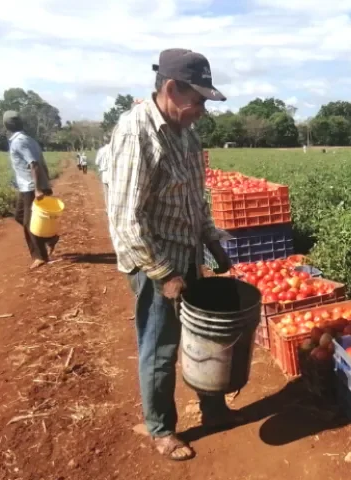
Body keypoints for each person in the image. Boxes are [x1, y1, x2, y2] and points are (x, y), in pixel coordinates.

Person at [106, 48, 238, 462]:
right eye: (196, 99)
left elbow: (194, 198)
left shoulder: (187, 132)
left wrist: (212, 239)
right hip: (152, 259)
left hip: (186, 250)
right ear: (169, 88)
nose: (201, 109)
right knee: (160, 344)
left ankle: (213, 405)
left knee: (201, 333)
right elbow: (127, 220)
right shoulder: (136, 132)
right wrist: (165, 274)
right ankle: (161, 427)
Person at [4, 110, 58, 269]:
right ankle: (49, 238)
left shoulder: (19, 141)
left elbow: (33, 164)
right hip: (26, 185)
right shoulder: (28, 139)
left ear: (6, 126)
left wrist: (38, 189)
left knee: (29, 222)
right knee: (19, 216)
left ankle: (40, 256)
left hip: (31, 187)